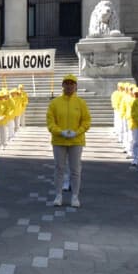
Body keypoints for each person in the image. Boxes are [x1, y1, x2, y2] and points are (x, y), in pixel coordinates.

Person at [46, 74, 91, 207]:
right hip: (59, 140)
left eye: (72, 83)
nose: (69, 86)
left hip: (76, 140)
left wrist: (78, 132)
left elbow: (86, 121)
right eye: (67, 83)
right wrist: (60, 132)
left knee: (75, 169)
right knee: (59, 168)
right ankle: (58, 195)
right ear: (63, 85)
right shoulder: (55, 103)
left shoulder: (81, 103)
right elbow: (50, 122)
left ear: (76, 86)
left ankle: (75, 196)